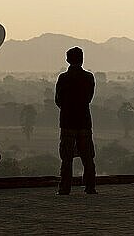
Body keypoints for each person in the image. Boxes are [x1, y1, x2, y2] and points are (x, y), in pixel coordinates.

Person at [55, 47, 97, 195]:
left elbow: (58, 100)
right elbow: (89, 98)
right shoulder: (89, 77)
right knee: (87, 157)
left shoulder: (63, 78)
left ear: (67, 60)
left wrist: (67, 108)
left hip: (67, 122)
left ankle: (65, 187)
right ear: (82, 59)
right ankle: (90, 186)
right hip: (84, 121)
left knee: (67, 157)